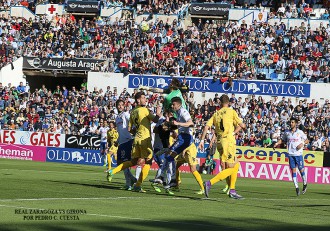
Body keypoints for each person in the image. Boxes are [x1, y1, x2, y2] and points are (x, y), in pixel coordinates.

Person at [106, 91, 162, 192]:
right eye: (144, 98)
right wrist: (158, 113)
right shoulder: (144, 110)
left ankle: (113, 171)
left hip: (136, 139)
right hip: (145, 139)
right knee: (148, 162)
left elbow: (130, 129)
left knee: (134, 161)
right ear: (138, 100)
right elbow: (156, 120)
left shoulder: (132, 112)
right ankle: (138, 185)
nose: (146, 99)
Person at [199, 94, 246, 199]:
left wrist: (202, 140)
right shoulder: (231, 111)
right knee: (233, 167)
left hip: (219, 142)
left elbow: (207, 126)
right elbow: (242, 125)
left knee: (235, 165)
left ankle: (232, 190)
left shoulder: (216, 114)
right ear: (229, 102)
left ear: (220, 103)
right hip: (228, 142)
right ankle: (210, 183)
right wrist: (241, 129)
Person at [159, 97, 194, 195]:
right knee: (169, 157)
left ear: (178, 104)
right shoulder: (178, 112)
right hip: (182, 137)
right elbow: (180, 125)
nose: (172, 106)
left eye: (173, 104)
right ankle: (171, 179)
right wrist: (171, 126)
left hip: (185, 138)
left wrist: (178, 123)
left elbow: (191, 123)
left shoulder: (183, 111)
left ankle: (165, 177)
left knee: (169, 156)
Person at [273, 118, 308, 196]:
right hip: (291, 154)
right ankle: (296, 188)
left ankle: (305, 183)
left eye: (292, 122)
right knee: (293, 171)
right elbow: (282, 140)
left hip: (298, 154)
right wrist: (276, 144)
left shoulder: (300, 132)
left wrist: (302, 144)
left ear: (295, 123)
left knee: (301, 170)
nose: (291, 123)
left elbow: (307, 140)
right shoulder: (287, 133)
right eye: (290, 122)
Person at [113, 99, 136, 190]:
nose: (120, 106)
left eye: (122, 105)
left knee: (125, 162)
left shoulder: (126, 114)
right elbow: (120, 131)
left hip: (127, 141)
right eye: (119, 105)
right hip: (121, 142)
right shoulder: (117, 117)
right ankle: (133, 179)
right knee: (120, 163)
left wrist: (133, 130)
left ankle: (128, 184)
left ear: (124, 106)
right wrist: (117, 140)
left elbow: (132, 123)